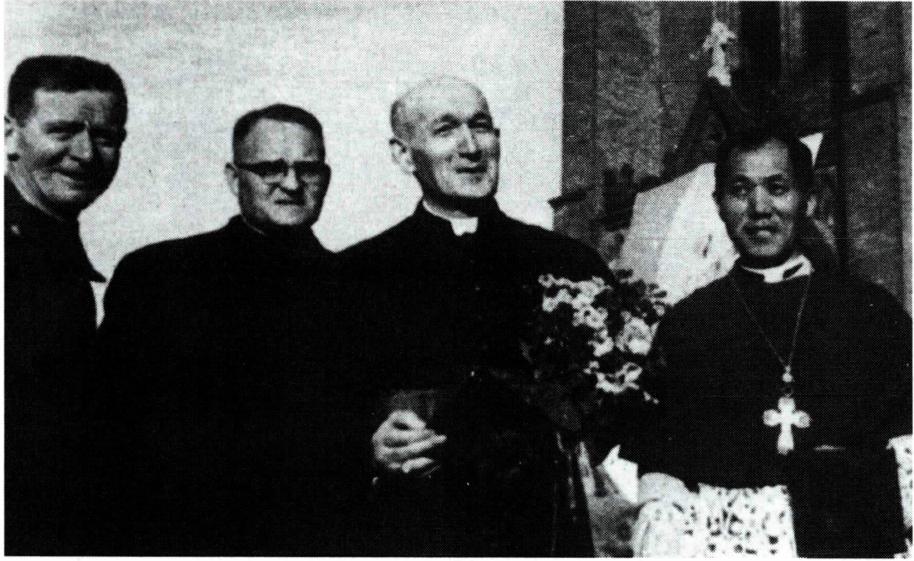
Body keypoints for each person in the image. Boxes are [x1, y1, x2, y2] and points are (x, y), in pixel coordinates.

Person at [341, 76, 608, 556]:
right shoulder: (358, 274)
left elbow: (618, 405)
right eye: (445, 130)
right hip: (416, 534)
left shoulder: (570, 263)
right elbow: (324, 415)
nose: (471, 147)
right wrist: (367, 447)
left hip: (544, 532)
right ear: (404, 155)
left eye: (481, 127)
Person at [624, 122, 912, 557]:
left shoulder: (871, 311)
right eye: (740, 191)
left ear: (809, 200)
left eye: (777, 188)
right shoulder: (687, 325)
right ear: (719, 204)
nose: (759, 208)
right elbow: (663, 474)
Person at [95, 104, 366, 554]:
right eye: (270, 168)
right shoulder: (159, 275)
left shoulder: (360, 290)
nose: (292, 184)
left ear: (327, 178)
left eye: (308, 170)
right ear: (233, 178)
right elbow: (105, 433)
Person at [4, 55, 128, 555]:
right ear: (10, 134)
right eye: (61, 132)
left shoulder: (51, 248)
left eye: (106, 137)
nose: (85, 154)